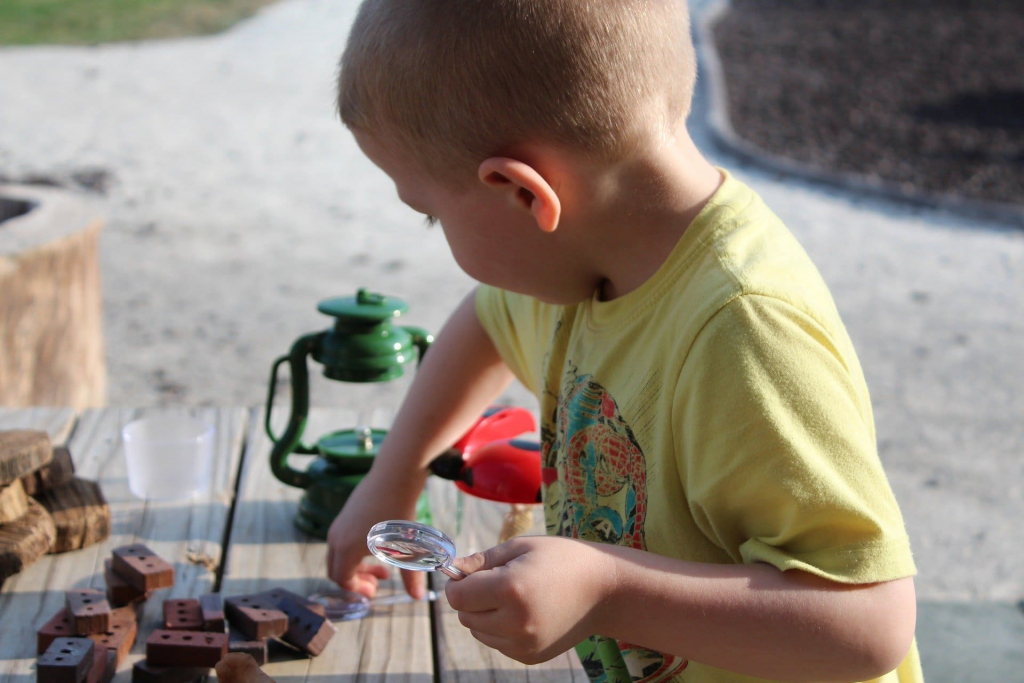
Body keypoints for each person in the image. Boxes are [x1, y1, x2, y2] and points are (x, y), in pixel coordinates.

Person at [325, 1, 922, 682]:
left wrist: (609, 589)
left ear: (522, 193)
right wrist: (396, 474)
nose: (437, 232)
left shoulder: (744, 330)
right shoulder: (583, 262)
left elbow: (868, 626)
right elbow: (486, 321)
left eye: (431, 214)